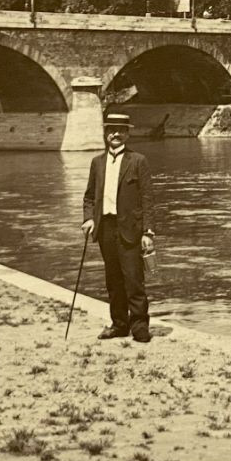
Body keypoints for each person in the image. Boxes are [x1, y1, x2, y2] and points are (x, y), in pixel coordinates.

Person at [80, 111, 156, 342]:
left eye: (121, 130)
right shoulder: (97, 162)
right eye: (112, 130)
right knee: (113, 280)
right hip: (105, 228)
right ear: (105, 133)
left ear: (127, 134)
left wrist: (148, 231)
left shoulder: (138, 161)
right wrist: (88, 218)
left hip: (131, 230)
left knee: (133, 279)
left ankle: (140, 326)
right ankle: (119, 324)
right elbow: (89, 197)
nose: (116, 134)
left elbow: (147, 199)